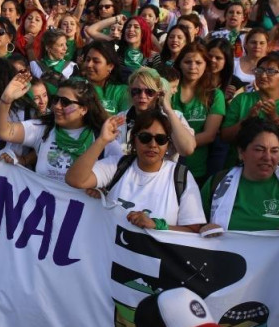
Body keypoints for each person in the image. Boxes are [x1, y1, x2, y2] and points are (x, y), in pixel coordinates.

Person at [66, 110, 205, 232]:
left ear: (168, 144)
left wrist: (157, 226)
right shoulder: (117, 164)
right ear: (134, 139)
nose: (152, 145)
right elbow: (75, 180)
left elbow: (192, 231)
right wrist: (102, 140)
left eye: (161, 139)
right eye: (145, 138)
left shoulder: (181, 176)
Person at [0, 74, 120, 181]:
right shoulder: (43, 129)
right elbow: (1, 130)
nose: (57, 106)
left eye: (65, 102)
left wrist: (102, 187)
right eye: (55, 100)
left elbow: (119, 173)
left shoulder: (101, 139)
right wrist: (6, 100)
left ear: (83, 109)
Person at [201, 118, 279, 238]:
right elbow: (194, 227)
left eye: (274, 151)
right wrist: (204, 228)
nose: (267, 157)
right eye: (259, 150)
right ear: (241, 152)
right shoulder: (216, 183)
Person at [220, 52, 279, 167]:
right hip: (241, 166)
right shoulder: (241, 100)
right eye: (259, 70)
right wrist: (247, 119)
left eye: (271, 71)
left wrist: (275, 118)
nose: (263, 75)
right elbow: (225, 136)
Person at [170, 43, 225, 183]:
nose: (193, 67)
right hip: (167, 164)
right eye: (187, 62)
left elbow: (209, 135)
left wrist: (183, 145)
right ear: (180, 64)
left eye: (198, 62)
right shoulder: (168, 90)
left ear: (206, 65)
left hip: (197, 169)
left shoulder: (215, 95)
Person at [117, 67, 196, 160]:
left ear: (159, 93)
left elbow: (187, 149)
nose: (142, 96)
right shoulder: (119, 119)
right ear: (130, 92)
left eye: (149, 92)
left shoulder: (174, 116)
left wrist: (169, 111)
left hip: (163, 173)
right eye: (136, 91)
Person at [81, 40, 130, 115]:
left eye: (96, 61)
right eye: (87, 60)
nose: (89, 65)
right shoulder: (77, 86)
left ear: (110, 66)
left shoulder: (122, 91)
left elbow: (124, 122)